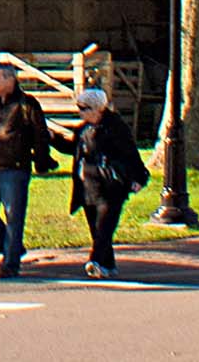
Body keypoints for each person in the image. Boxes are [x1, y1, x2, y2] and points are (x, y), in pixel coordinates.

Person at [0, 58, 56, 279]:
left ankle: (10, 263)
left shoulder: (27, 104)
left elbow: (40, 135)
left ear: (11, 80)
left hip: (15, 168)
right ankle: (10, 248)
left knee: (13, 215)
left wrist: (42, 161)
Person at [70, 85, 149, 278]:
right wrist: (52, 138)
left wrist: (139, 178)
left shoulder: (116, 127)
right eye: (79, 107)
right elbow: (72, 148)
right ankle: (108, 265)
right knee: (96, 230)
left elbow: (131, 154)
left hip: (111, 186)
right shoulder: (82, 130)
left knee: (104, 228)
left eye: (84, 108)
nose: (80, 112)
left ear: (98, 108)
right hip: (88, 186)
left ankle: (95, 261)